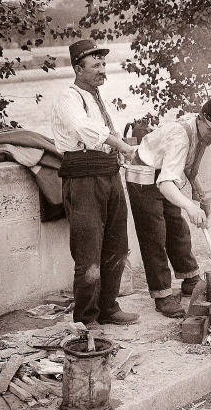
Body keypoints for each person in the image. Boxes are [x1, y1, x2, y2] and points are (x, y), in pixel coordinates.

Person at [51, 39, 139, 327]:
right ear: (78, 69)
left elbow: (104, 136)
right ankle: (87, 318)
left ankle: (109, 307)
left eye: (103, 64)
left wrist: (120, 153)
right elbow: (84, 128)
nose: (103, 70)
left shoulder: (97, 98)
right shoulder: (68, 97)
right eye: (96, 65)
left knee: (117, 244)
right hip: (83, 178)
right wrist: (119, 143)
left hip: (109, 174)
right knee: (88, 251)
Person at [126, 96, 211, 317]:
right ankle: (162, 295)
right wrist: (191, 207)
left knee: (177, 227)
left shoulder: (199, 131)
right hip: (144, 176)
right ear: (202, 119)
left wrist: (196, 186)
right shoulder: (180, 136)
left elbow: (187, 165)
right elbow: (165, 184)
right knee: (154, 235)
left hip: (165, 174)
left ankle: (188, 277)